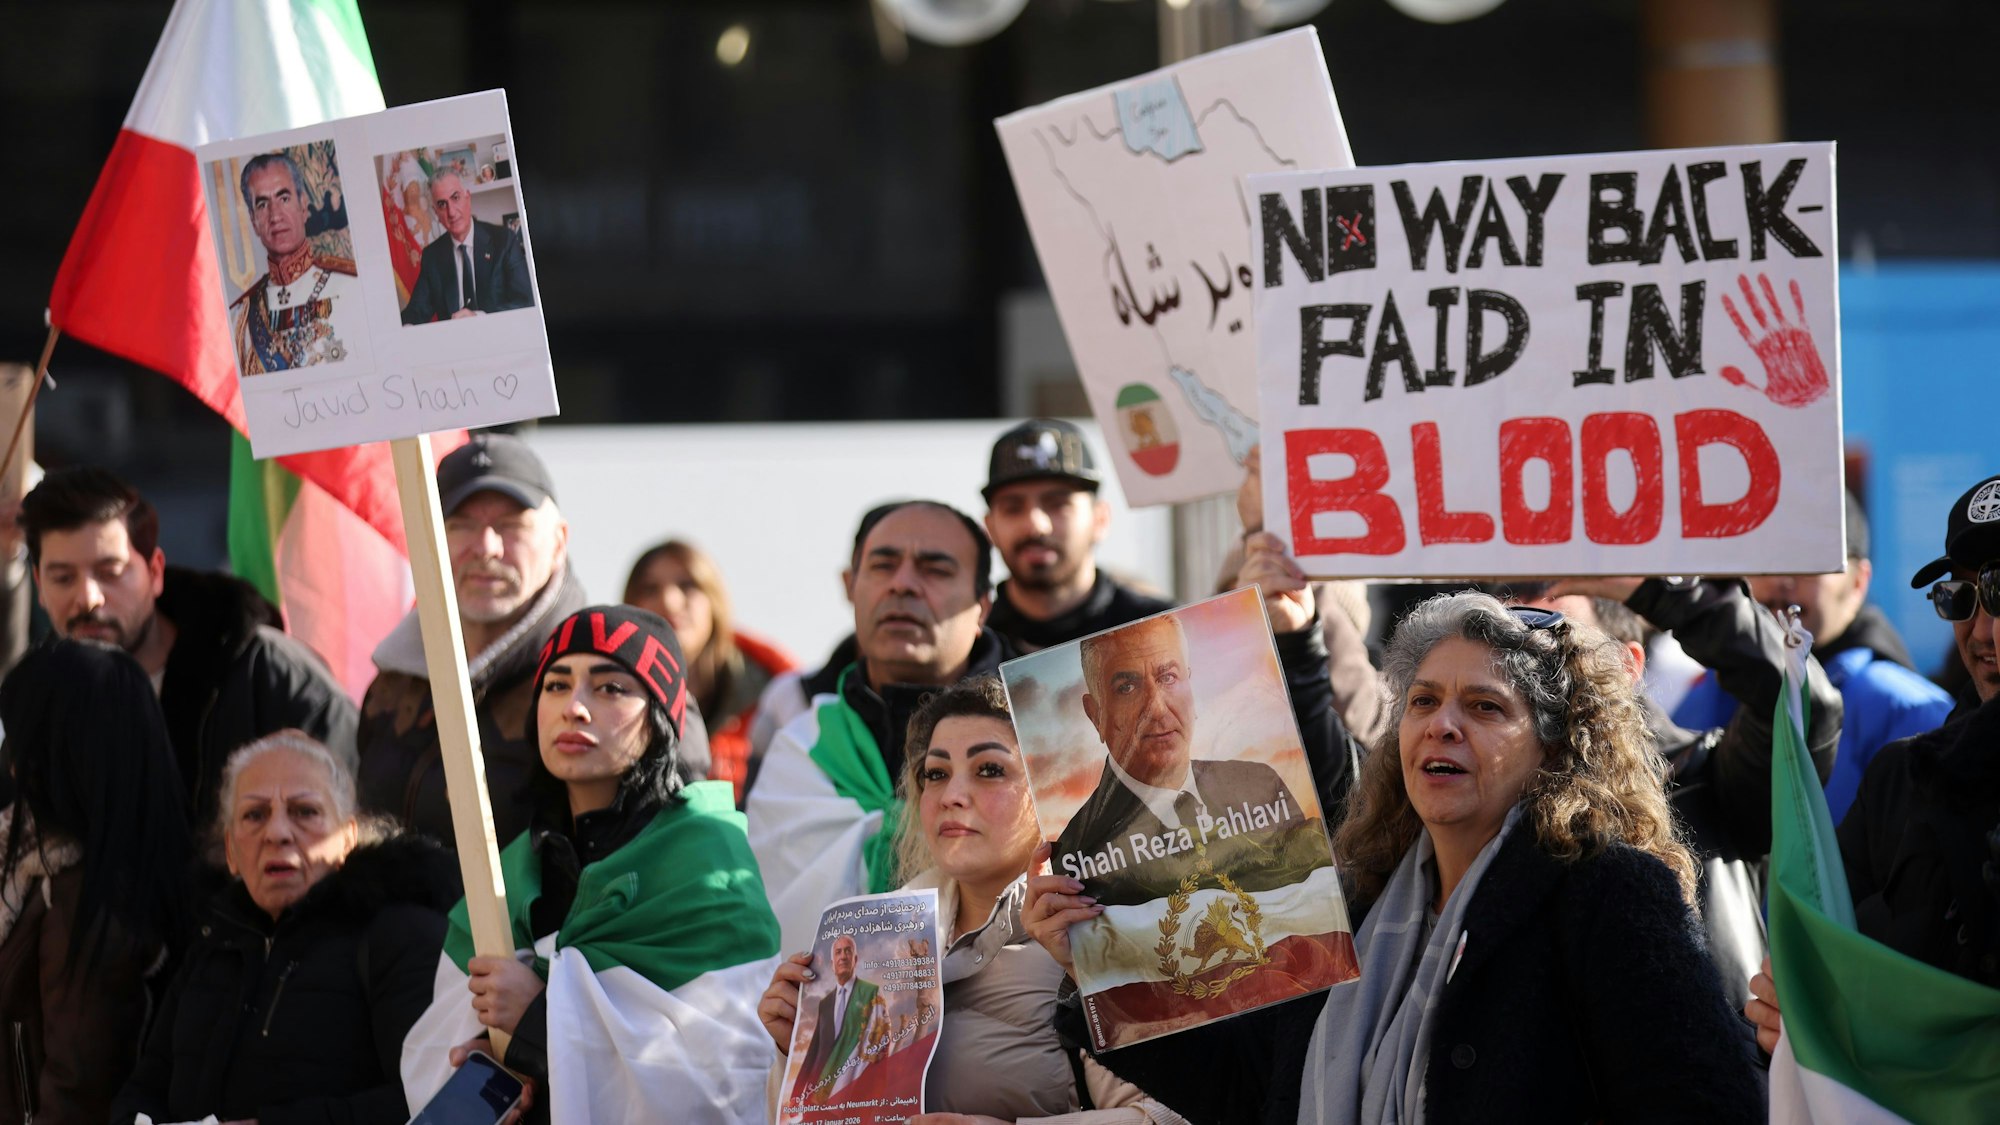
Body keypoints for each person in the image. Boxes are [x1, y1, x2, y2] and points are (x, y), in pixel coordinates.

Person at [1028, 593, 1764, 1123]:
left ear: (1553, 748)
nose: (1442, 724)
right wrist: (1094, 962)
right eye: (1422, 701)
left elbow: (1705, 1103)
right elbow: (1251, 1091)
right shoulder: (1353, 904)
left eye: (1484, 707)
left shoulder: (1610, 896)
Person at [401, 606, 780, 1124]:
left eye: (610, 689)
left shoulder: (708, 865)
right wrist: (490, 1061)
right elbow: (432, 1052)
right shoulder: (505, 877)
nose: (574, 707)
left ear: (660, 716)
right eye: (556, 685)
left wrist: (542, 1017)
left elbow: (729, 1083)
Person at [759, 677, 1187, 1124]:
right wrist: (796, 1059)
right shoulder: (871, 940)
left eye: (989, 770)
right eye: (936, 774)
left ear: (1050, 788)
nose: (952, 797)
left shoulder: (1097, 928)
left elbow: (1169, 1114)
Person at [359, 433, 711, 848]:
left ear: (559, 541)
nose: (486, 548)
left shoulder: (632, 679)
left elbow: (680, 857)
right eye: (460, 525)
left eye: (511, 526)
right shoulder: (392, 684)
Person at [112, 731, 459, 1124]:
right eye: (254, 815)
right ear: (230, 852)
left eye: (304, 811)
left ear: (347, 838)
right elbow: (145, 1089)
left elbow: (437, 1101)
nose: (277, 833)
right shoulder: (215, 943)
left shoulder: (400, 935)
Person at [17, 467, 357, 828]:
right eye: (63, 578)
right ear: (39, 584)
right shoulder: (42, 703)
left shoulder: (274, 679)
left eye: (110, 571)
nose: (87, 598)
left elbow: (348, 830)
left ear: (155, 571)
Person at [748, 500, 1010, 952]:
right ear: (851, 586)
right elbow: (762, 934)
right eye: (883, 565)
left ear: (982, 606)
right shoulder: (802, 745)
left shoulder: (1032, 735)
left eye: (936, 569)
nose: (903, 585)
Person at [0, 641, 193, 1124]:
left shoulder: (89, 902)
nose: (11, 762)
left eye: (21, 738)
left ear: (60, 751)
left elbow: (77, 1096)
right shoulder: (33, 856)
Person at [1674, 492, 1952, 821]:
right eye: (1765, 559)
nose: (1782, 581)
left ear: (1859, 582)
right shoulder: (1711, 689)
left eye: (1809, 562)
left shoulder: (1912, 712)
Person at [1051, 612, 1311, 908]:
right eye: (1127, 687)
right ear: (1096, 714)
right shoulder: (1076, 856)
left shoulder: (1261, 787)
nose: (1157, 708)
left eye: (1168, 677)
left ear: (1191, 684)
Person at [624, 539, 797, 806]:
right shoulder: (606, 699)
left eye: (687, 585)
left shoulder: (783, 703)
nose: (669, 601)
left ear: (714, 600)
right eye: (650, 589)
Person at [980, 419, 1171, 653]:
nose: (1036, 525)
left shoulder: (1160, 631)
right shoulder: (969, 647)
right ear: (990, 528)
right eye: (1013, 508)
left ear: (1100, 519)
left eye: (1058, 504)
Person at [228, 151, 360, 375]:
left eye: (284, 198)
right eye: (262, 205)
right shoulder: (239, 319)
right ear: (253, 221)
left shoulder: (352, 288)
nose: (275, 215)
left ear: (304, 206)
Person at [398, 169, 534, 324]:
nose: (451, 212)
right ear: (436, 213)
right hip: (455, 345)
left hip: (501, 338)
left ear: (467, 197)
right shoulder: (432, 256)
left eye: (455, 198)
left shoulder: (504, 241)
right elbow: (416, 310)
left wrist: (480, 318)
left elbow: (526, 302)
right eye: (442, 204)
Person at [786, 933, 890, 1099]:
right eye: (838, 952)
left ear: (855, 959)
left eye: (848, 951)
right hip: (817, 1096)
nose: (843, 956)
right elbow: (813, 1051)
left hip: (852, 1095)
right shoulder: (825, 1003)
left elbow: (881, 1049)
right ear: (832, 964)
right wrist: (796, 1094)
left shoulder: (872, 993)